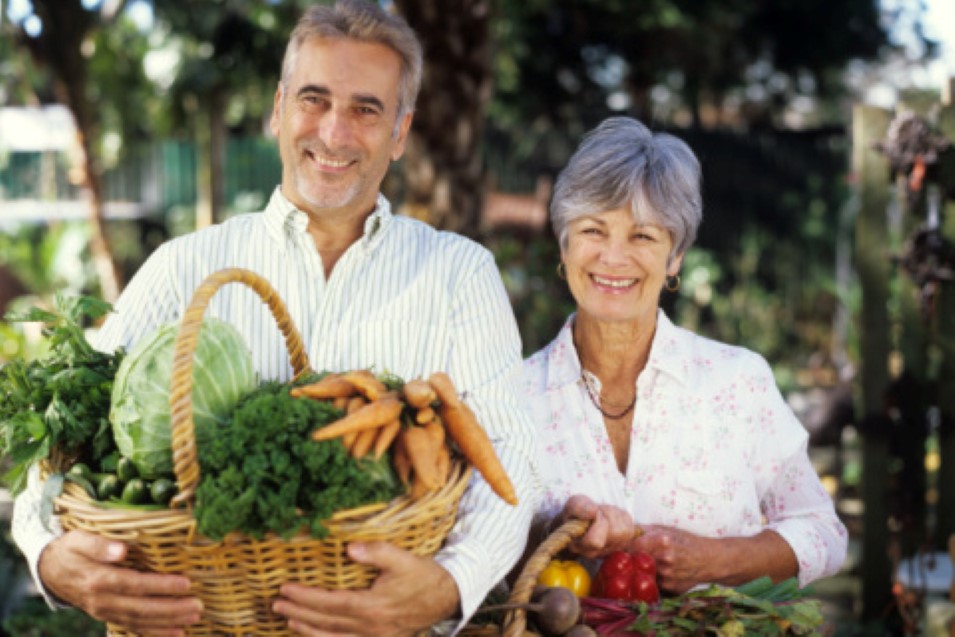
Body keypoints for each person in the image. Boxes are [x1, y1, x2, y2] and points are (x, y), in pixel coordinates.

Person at [11, 1, 540, 635]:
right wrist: (50, 559)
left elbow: (510, 459)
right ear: (278, 109)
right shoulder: (184, 267)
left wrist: (451, 585)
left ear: (399, 134)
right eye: (313, 100)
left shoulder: (460, 275)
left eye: (366, 109)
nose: (334, 132)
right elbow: (55, 455)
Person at [521, 117, 847, 593]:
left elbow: (825, 534)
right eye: (593, 230)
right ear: (564, 244)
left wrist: (715, 561)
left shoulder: (737, 382)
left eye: (643, 236)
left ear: (675, 257)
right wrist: (552, 536)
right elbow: (474, 563)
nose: (613, 258)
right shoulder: (510, 398)